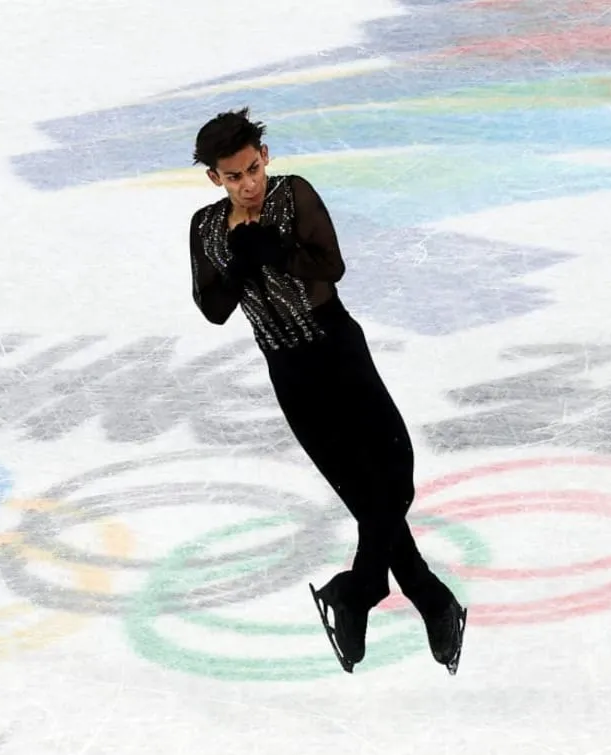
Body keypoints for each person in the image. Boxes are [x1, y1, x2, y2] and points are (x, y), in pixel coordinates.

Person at [187, 108, 466, 674]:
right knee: (364, 494)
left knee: (397, 477)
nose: (248, 184)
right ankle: (425, 594)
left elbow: (331, 266)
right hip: (291, 374)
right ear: (215, 178)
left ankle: (360, 591)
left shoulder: (294, 196)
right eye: (234, 176)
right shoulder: (206, 228)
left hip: (339, 352)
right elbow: (213, 310)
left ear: (264, 156)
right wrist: (240, 268)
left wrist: (274, 251)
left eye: (253, 168)